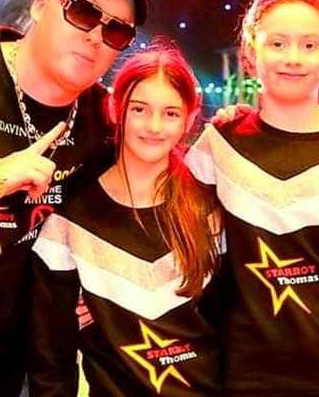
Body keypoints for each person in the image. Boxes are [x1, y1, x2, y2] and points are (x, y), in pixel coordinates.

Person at [186, 0, 319, 396]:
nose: (293, 58)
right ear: (250, 52)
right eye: (277, 43)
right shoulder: (217, 146)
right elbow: (176, 258)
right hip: (237, 384)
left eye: (309, 45)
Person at [0, 0, 148, 397]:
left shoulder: (103, 122)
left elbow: (161, 181)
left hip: (20, 370)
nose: (95, 36)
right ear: (40, 5)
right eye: (83, 11)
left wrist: (246, 128)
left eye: (117, 31)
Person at [28, 42, 223, 397]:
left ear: (189, 119)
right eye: (139, 109)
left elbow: (236, 325)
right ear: (115, 109)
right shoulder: (70, 221)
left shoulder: (210, 208)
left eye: (170, 113)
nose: (154, 126)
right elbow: (50, 361)